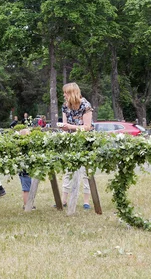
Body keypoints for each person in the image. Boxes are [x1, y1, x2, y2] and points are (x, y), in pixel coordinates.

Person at [60, 82, 93, 210]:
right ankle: (63, 200)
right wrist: (64, 127)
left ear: (73, 93)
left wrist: (71, 127)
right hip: (71, 141)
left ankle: (86, 202)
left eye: (66, 93)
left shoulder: (86, 105)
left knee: (85, 171)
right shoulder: (65, 106)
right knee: (68, 170)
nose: (64, 95)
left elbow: (87, 127)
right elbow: (65, 125)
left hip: (85, 141)